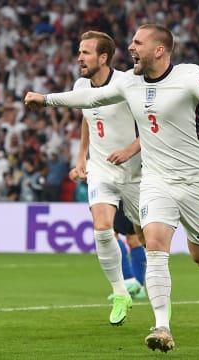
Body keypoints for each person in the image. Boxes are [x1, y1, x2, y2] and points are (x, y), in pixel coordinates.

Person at [24, 24, 199, 352]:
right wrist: (46, 100)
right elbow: (90, 97)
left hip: (195, 181)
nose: (131, 48)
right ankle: (162, 327)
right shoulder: (129, 83)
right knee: (154, 247)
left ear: (159, 50)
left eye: (138, 43)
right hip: (155, 181)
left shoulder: (186, 76)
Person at [66, 31, 146, 326]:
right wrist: (81, 157)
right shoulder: (80, 85)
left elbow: (152, 125)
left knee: (145, 237)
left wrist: (129, 150)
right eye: (79, 51)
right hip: (101, 169)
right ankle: (121, 291)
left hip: (136, 170)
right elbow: (88, 118)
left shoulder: (127, 83)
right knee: (102, 228)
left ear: (103, 57)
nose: (79, 58)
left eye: (86, 52)